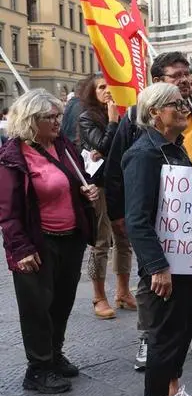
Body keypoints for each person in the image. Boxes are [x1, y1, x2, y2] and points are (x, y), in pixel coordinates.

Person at [106, 51, 192, 369]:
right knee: (152, 276)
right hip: (153, 215)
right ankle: (150, 338)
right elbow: (116, 167)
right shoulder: (137, 118)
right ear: (158, 83)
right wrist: (119, 215)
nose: (186, 80)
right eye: (176, 76)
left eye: (188, 73)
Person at [124, 83, 192, 396]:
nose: (183, 108)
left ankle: (173, 393)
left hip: (186, 259)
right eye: (174, 104)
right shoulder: (143, 154)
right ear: (155, 113)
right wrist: (156, 266)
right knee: (164, 334)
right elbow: (137, 218)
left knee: (183, 327)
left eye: (182, 102)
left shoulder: (172, 149)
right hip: (166, 264)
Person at [0, 89, 99, 394]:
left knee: (61, 302)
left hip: (70, 238)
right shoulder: (13, 156)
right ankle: (38, 368)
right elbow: (7, 210)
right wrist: (20, 249)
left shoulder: (63, 146)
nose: (58, 121)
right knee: (36, 308)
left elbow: (76, 178)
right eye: (51, 117)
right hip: (37, 242)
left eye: (58, 115)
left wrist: (87, 192)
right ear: (31, 120)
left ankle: (54, 355)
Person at [77, 73, 137, 319]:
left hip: (118, 183)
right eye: (101, 87)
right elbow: (102, 146)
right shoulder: (87, 118)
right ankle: (98, 296)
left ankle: (123, 292)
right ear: (92, 92)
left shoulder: (119, 115)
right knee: (101, 242)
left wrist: (115, 124)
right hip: (99, 185)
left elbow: (119, 147)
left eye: (109, 86)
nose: (107, 90)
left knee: (123, 238)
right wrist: (112, 122)